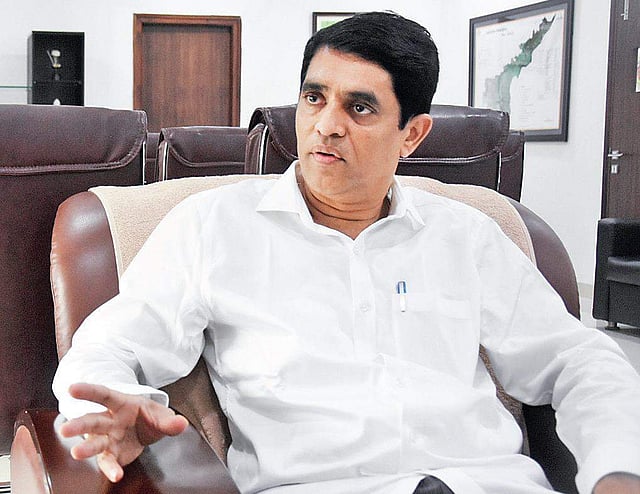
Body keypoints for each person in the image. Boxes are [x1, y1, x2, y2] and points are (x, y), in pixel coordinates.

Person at [53, 11, 640, 494]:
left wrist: (618, 470)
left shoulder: (466, 235)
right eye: (314, 98)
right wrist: (117, 408)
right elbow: (107, 348)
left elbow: (578, 359)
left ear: (411, 135)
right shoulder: (213, 227)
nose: (325, 126)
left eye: (359, 107)